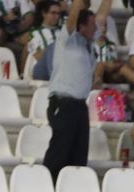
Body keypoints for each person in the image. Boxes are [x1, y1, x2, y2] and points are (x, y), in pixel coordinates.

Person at [42, 0, 101, 176]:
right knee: (59, 153)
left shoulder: (88, 45)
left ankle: (73, 189)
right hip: (63, 104)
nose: (96, 28)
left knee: (78, 156)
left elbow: (104, 15)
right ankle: (47, 187)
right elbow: (73, 14)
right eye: (92, 25)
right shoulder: (66, 40)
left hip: (80, 106)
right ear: (81, 26)